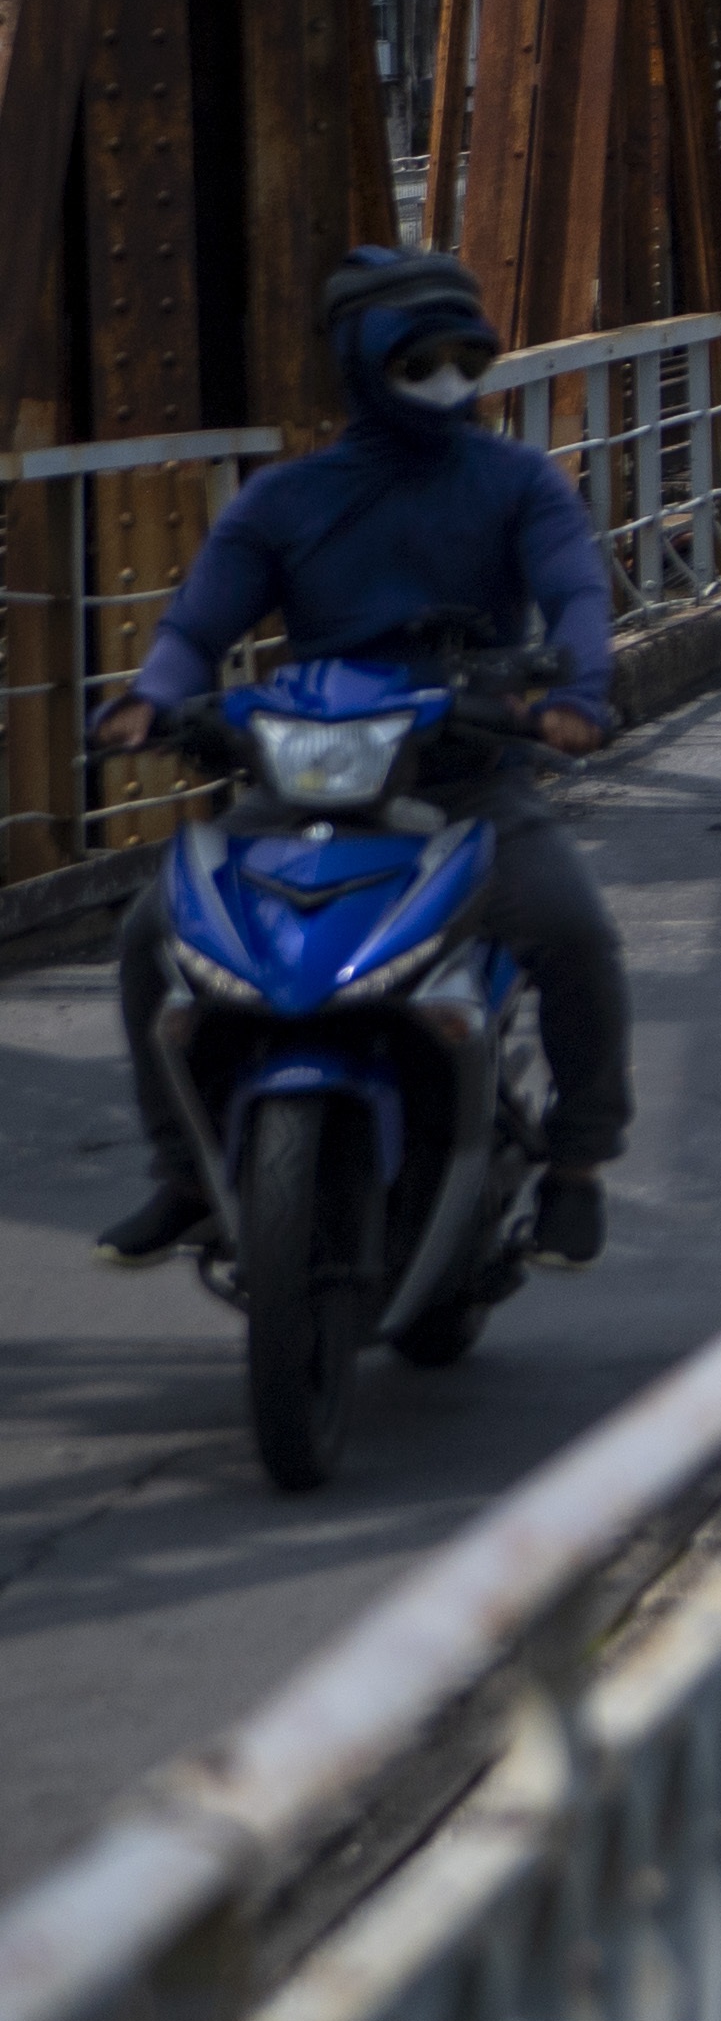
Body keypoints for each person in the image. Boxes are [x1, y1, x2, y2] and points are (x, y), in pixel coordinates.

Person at [89, 249, 630, 1274]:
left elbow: (575, 595)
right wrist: (152, 699)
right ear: (360, 361)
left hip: (464, 781)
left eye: (463, 355)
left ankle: (576, 1164)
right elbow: (196, 624)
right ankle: (184, 1172)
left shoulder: (517, 485)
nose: (445, 377)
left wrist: (576, 694)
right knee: (150, 935)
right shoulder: (286, 501)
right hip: (307, 782)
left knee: (574, 931)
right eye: (417, 356)